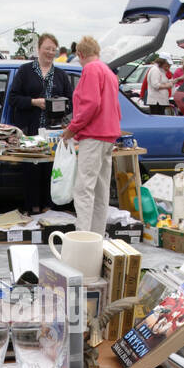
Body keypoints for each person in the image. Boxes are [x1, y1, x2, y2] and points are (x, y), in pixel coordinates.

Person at [60, 36, 121, 236]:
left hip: (94, 136)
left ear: (80, 54)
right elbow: (114, 107)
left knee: (84, 189)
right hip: (108, 135)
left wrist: (72, 128)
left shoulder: (91, 69)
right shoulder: (108, 72)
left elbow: (90, 104)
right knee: (101, 190)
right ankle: (97, 236)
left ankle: (83, 237)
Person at [8, 32, 73, 213]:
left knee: (51, 170)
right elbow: (13, 99)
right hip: (30, 131)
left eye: (53, 49)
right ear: (39, 49)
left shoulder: (61, 74)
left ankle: (48, 209)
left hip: (54, 132)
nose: (50, 52)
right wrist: (34, 102)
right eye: (47, 48)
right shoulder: (25, 71)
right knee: (31, 170)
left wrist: (59, 106)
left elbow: (71, 102)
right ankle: (32, 208)